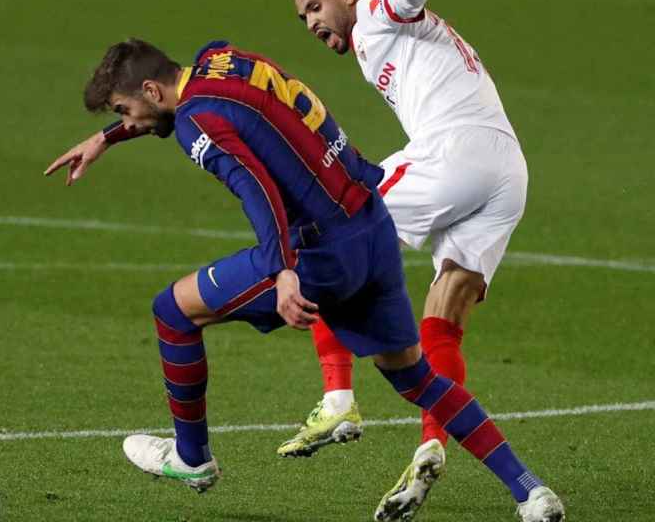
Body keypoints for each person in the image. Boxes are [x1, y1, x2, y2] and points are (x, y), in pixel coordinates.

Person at [44, 39, 563, 522]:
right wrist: (107, 137)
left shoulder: (194, 122)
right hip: (372, 225)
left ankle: (191, 457)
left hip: (320, 255)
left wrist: (284, 270)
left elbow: (255, 186)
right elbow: (199, 115)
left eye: (122, 111)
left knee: (174, 310)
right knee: (415, 378)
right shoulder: (222, 57)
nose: (126, 119)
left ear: (152, 92)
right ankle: (529, 490)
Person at [282, 0, 539, 518]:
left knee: (335, 233)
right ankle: (431, 443)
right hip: (506, 171)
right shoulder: (375, 38)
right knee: (443, 316)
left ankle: (338, 398)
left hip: (454, 151)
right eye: (302, 18)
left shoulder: (373, 9)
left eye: (314, 6)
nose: (312, 23)